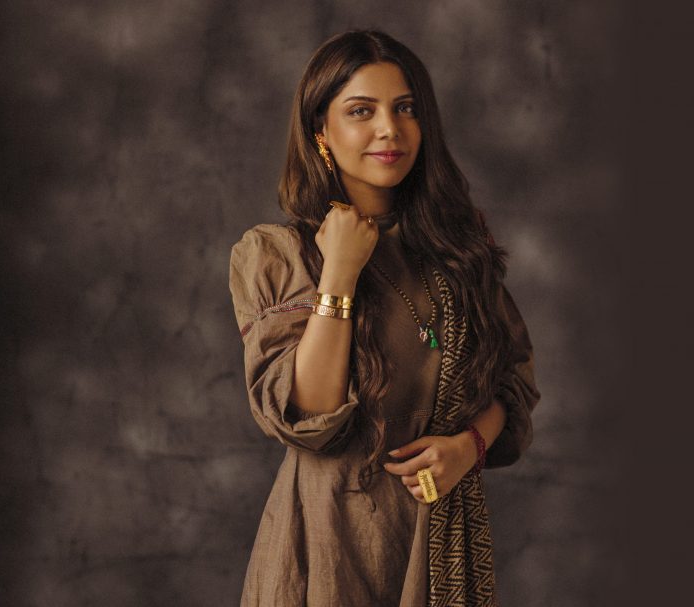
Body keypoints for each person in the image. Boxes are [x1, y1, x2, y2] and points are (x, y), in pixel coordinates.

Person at [228, 29, 541, 607]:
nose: (389, 129)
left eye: (405, 109)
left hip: (441, 544)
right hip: (329, 546)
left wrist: (468, 446)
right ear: (321, 130)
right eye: (361, 111)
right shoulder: (280, 253)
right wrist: (340, 271)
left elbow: (512, 385)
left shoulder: (457, 250)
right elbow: (309, 416)